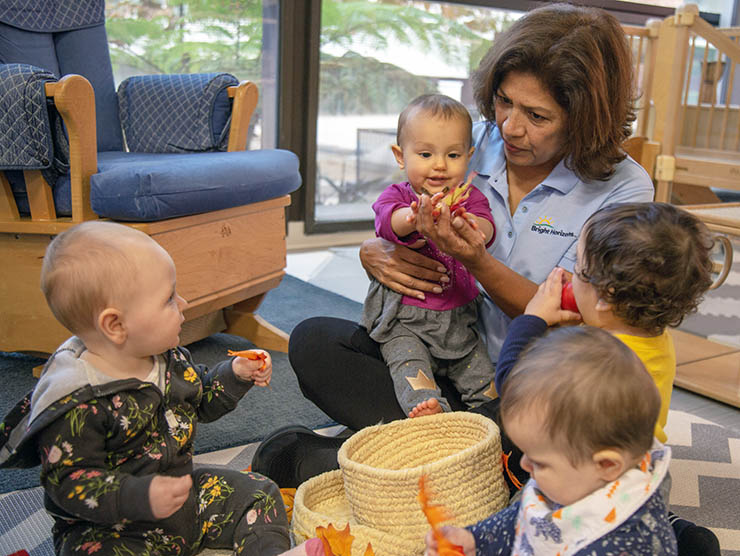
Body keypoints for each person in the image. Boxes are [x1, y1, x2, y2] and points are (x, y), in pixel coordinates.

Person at [287, 2, 653, 434]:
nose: (510, 127)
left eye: (536, 116)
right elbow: (398, 204)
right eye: (503, 101)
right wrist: (376, 250)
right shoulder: (467, 144)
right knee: (314, 341)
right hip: (442, 350)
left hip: (539, 384)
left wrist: (478, 260)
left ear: (585, 119)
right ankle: (456, 443)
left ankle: (438, 446)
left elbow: (574, 314)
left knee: (576, 425)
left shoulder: (624, 189)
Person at [0, 221, 290, 555]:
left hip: (184, 504)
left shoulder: (166, 359)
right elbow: (69, 484)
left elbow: (201, 398)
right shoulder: (79, 403)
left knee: (259, 492)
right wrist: (139, 496)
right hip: (115, 531)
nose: (182, 302)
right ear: (116, 324)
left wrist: (236, 373)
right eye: (168, 298)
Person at [495, 201, 719, 555]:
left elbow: (513, 387)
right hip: (645, 472)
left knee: (522, 516)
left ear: (604, 296)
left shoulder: (589, 356)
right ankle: (673, 531)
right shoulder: (653, 333)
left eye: (579, 268)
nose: (569, 273)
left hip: (587, 480)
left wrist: (532, 318)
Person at [425, 326, 677, 556]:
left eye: (540, 462)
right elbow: (524, 517)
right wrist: (475, 539)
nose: (524, 464)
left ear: (607, 465)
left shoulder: (617, 545)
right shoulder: (574, 478)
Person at [361, 93, 496, 417]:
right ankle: (431, 417)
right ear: (400, 155)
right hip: (406, 321)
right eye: (425, 153)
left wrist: (467, 225)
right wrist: (412, 218)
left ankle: (488, 426)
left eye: (453, 154)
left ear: (469, 156)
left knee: (486, 382)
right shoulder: (397, 196)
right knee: (411, 374)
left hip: (459, 322)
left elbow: (486, 229)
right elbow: (386, 223)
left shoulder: (469, 198)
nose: (439, 165)